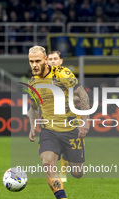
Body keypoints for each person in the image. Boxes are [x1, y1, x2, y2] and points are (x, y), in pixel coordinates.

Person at [27, 46, 90, 199]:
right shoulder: (32, 83)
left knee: (77, 172)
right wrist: (33, 126)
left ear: (46, 60)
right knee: (47, 162)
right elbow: (33, 107)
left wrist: (85, 121)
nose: (34, 65)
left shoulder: (62, 74)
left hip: (71, 129)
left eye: (38, 61)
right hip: (49, 130)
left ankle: (68, 154)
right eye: (31, 61)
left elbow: (83, 95)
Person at [47, 50, 80, 183]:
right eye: (50, 59)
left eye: (55, 58)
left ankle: (63, 172)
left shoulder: (66, 75)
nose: (53, 61)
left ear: (61, 61)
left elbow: (79, 94)